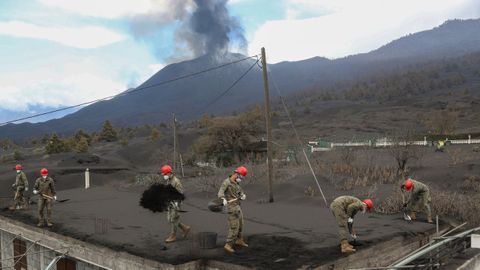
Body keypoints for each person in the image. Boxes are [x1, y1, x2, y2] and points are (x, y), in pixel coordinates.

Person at [217, 166, 248, 253]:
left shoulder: (236, 183)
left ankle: (239, 240)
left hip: (237, 206)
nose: (241, 179)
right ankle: (228, 245)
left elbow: (239, 191)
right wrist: (222, 199)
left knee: (241, 225)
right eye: (241, 177)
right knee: (234, 227)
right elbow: (220, 192)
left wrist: (242, 195)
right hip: (231, 208)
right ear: (236, 174)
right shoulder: (226, 182)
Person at [162, 165, 191, 243]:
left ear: (169, 173)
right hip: (170, 203)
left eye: (165, 174)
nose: (164, 176)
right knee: (170, 219)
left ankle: (173, 236)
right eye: (164, 174)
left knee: (174, 219)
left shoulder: (176, 181)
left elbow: (180, 193)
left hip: (175, 203)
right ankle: (185, 228)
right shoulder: (169, 180)